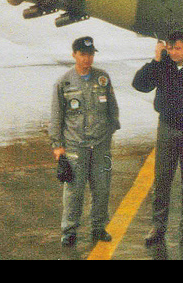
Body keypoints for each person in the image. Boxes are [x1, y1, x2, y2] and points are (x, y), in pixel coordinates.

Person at [132, 31, 183, 246]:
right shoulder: (162, 65)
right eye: (170, 48)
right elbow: (139, 84)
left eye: (177, 48)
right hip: (167, 128)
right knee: (162, 179)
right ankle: (158, 226)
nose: (173, 52)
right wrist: (156, 59)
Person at [51, 36, 120, 247]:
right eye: (83, 54)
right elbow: (56, 116)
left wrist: (108, 136)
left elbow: (112, 110)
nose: (87, 59)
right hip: (75, 146)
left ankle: (99, 227)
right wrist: (58, 147)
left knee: (102, 188)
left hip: (100, 146)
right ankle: (69, 230)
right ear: (74, 55)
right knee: (74, 190)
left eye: (90, 54)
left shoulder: (103, 79)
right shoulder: (64, 83)